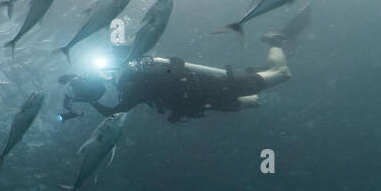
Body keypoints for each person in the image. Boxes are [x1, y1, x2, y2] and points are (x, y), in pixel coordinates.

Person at [90, 47, 291, 122]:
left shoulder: (139, 79)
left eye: (109, 72)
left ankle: (277, 42)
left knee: (282, 74)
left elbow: (114, 112)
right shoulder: (136, 80)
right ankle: (262, 69)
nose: (109, 77)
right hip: (205, 99)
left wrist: (90, 100)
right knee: (254, 100)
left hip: (210, 92)